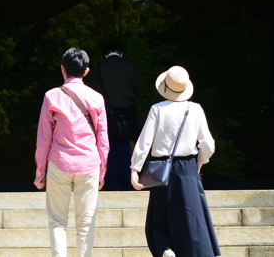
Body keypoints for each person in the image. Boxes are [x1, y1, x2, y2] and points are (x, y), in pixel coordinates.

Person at [130, 66, 220, 257]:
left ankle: (166, 248)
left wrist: (135, 168)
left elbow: (145, 141)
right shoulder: (195, 109)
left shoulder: (157, 109)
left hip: (161, 168)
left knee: (160, 214)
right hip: (188, 166)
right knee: (191, 216)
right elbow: (208, 144)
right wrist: (200, 162)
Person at [35, 48, 110, 257]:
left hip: (59, 163)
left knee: (57, 222)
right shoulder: (96, 98)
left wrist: (40, 172)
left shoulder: (51, 96)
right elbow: (103, 140)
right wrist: (102, 171)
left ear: (62, 69)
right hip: (89, 165)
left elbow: (43, 139)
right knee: (86, 224)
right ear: (86, 71)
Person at [87, 40, 143, 190]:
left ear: (105, 54)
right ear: (121, 53)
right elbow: (138, 89)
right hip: (126, 114)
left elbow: (90, 92)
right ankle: (128, 182)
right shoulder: (129, 66)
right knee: (125, 148)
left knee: (108, 148)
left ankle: (112, 184)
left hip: (105, 114)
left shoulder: (98, 68)